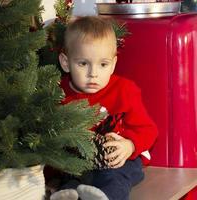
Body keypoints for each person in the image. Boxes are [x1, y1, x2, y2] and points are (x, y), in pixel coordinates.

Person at [50, 16, 158, 200]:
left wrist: (130, 145)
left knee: (115, 177)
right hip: (80, 164)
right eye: (83, 63)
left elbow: (148, 130)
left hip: (120, 161)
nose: (93, 73)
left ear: (113, 64)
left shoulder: (125, 91)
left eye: (103, 64)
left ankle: (106, 197)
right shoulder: (59, 95)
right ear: (66, 62)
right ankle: (67, 195)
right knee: (71, 179)